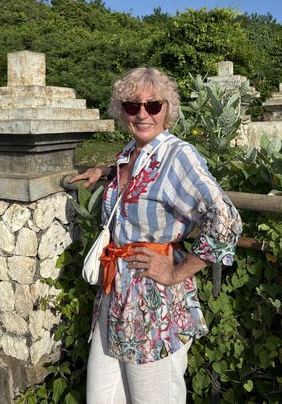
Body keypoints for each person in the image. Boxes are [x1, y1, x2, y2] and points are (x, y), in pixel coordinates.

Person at [69, 67, 242, 404]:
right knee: (101, 397)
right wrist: (107, 172)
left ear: (167, 109)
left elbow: (226, 219)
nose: (142, 114)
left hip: (153, 304)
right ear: (122, 110)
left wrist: (177, 271)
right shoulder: (130, 152)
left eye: (152, 105)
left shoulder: (179, 155)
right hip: (114, 295)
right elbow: (142, 185)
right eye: (132, 106)